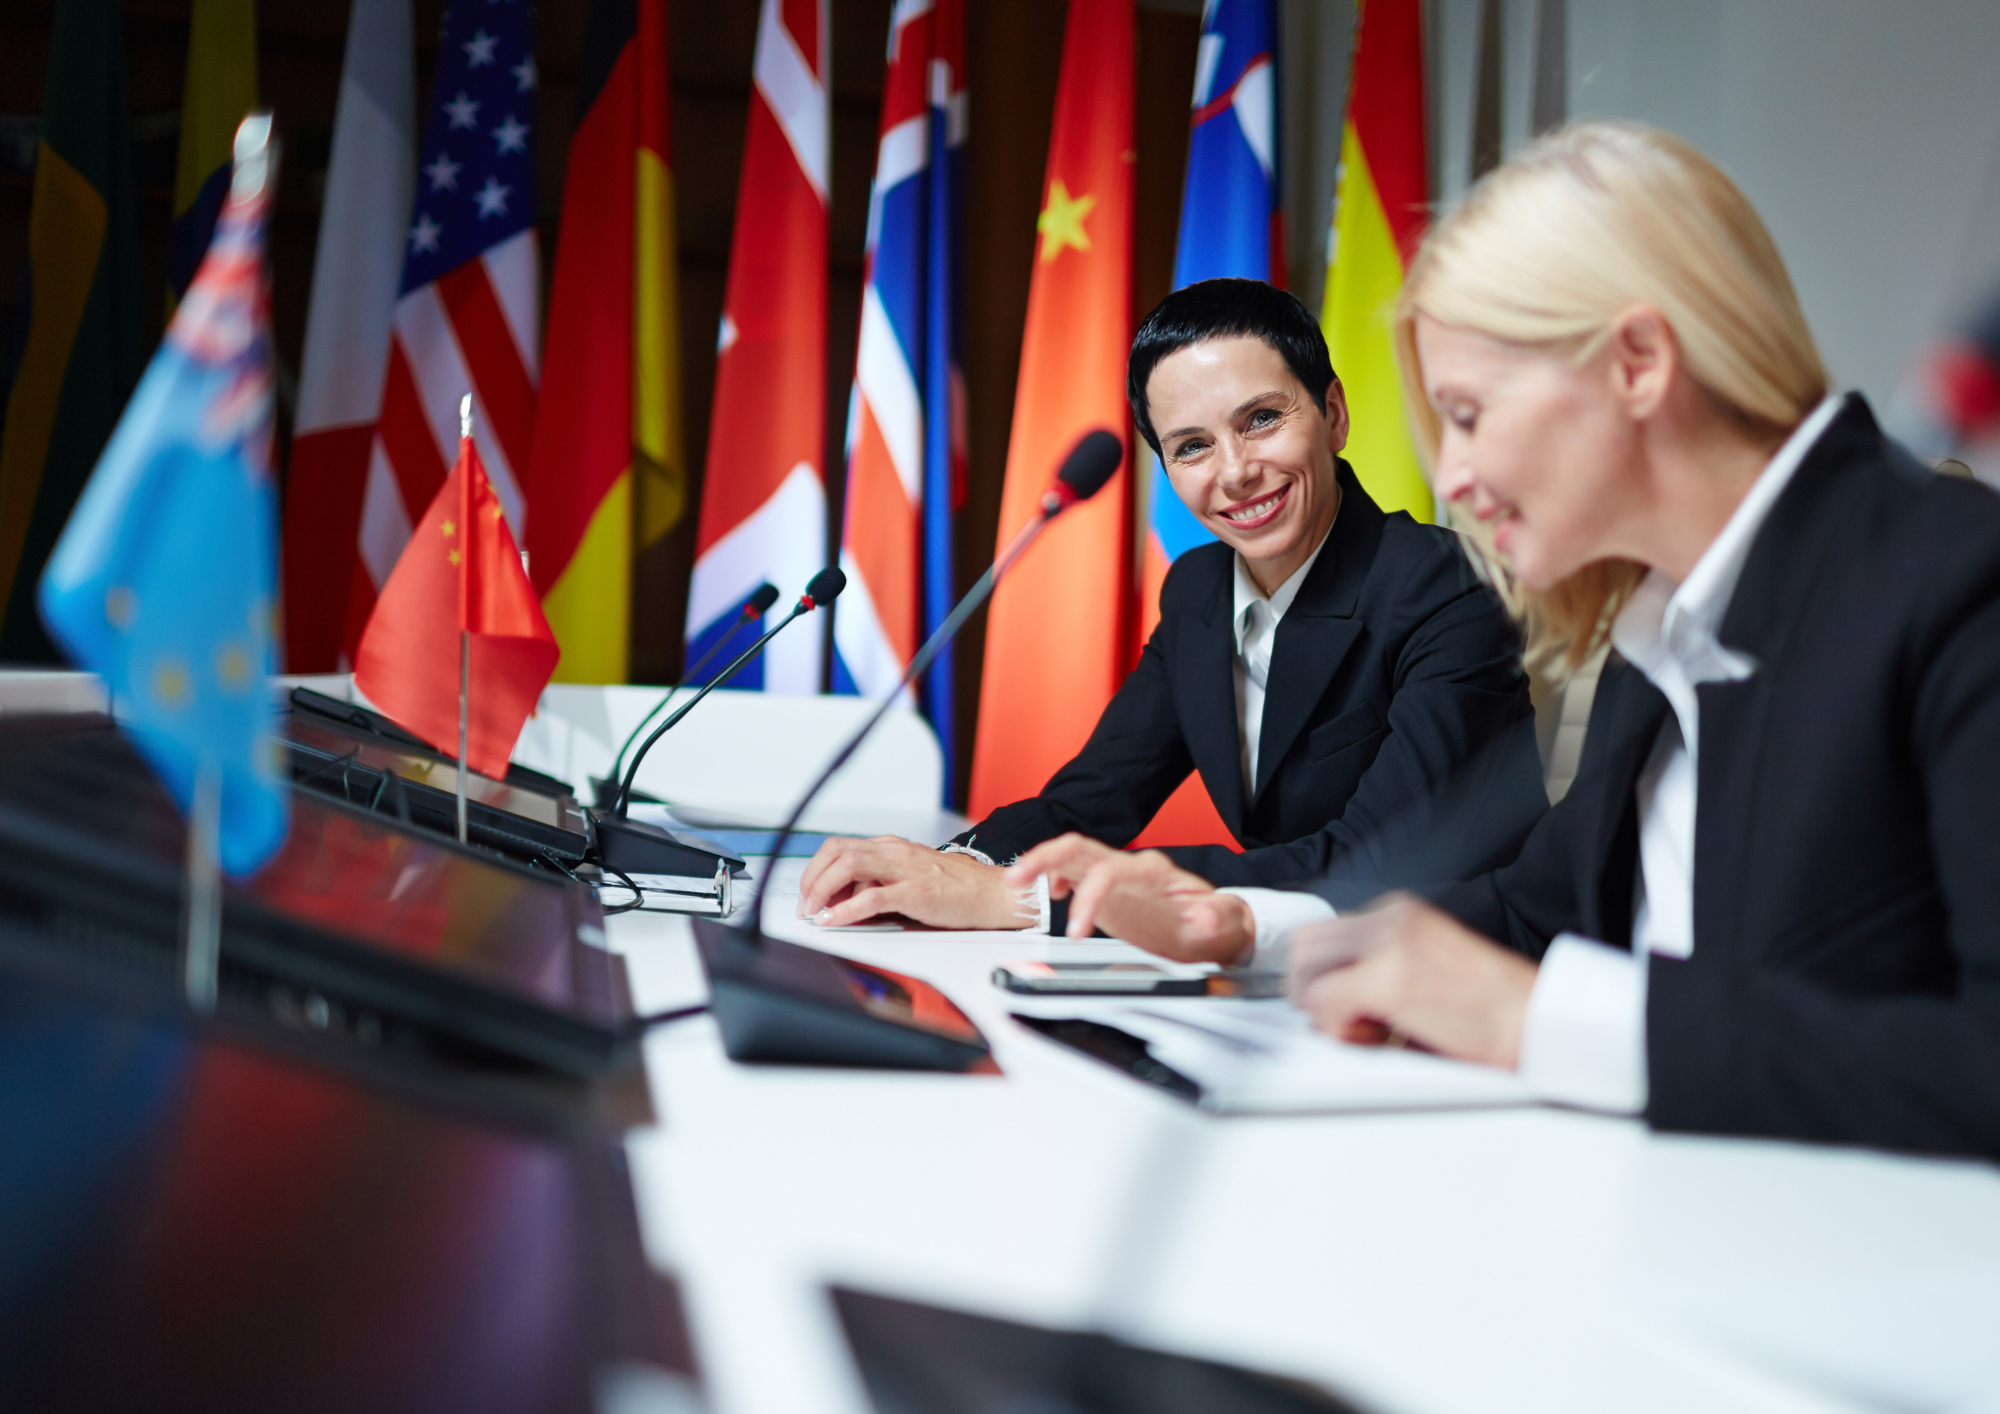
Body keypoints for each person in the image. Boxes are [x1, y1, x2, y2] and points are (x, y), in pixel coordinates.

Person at [1018, 123, 2000, 1158]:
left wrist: (1544, 1023)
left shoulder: (1956, 582)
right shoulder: (1655, 630)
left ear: (1634, 363)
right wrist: (1244, 926)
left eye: (1469, 414)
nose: (1452, 479)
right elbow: (1534, 915)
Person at [798, 279, 1546, 942]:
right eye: (1191, 447)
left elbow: (1371, 859)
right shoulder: (1198, 590)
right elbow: (1090, 801)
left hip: (1458, 975)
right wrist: (945, 868)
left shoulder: (1448, 584)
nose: (1235, 471)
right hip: (1287, 968)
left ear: (1334, 414)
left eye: (1260, 419)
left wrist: (1022, 898)